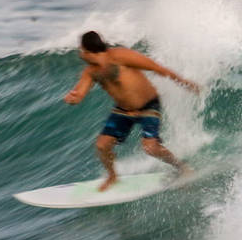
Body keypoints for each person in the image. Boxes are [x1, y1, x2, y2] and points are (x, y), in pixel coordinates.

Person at [64, 31, 199, 191]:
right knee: (102, 145)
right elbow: (79, 94)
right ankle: (113, 176)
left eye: (81, 50)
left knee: (151, 147)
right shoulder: (90, 72)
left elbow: (156, 68)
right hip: (123, 111)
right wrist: (73, 98)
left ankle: (182, 168)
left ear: (87, 51)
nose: (80, 53)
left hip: (148, 105)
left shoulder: (120, 56)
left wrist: (183, 82)